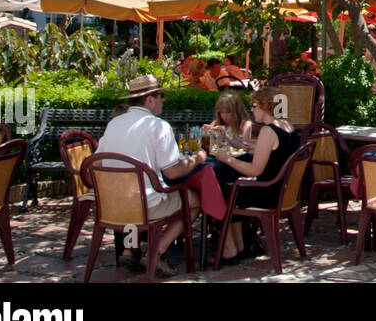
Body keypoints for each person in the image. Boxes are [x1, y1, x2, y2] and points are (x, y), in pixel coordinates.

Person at [97, 75, 206, 276]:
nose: (163, 100)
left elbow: (97, 162)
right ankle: (157, 252)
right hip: (144, 205)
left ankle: (130, 249)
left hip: (111, 204)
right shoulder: (158, 126)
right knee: (196, 200)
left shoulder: (114, 124)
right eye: (161, 95)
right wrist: (198, 158)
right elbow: (173, 171)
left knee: (136, 194)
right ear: (149, 99)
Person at [213, 86, 298, 265]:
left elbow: (255, 170)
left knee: (218, 191)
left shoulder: (268, 131)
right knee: (231, 188)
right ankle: (241, 246)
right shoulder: (288, 127)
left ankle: (230, 250)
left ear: (266, 106)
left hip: (266, 195)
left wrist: (226, 159)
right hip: (282, 192)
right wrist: (252, 148)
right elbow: (276, 156)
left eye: (254, 105)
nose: (251, 110)